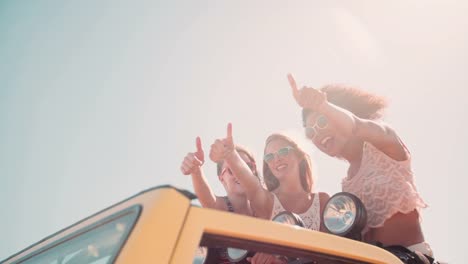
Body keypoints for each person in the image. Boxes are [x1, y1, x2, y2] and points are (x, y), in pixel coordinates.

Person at [287, 73, 434, 259]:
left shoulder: (385, 141)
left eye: (322, 121)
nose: (317, 134)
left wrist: (321, 105)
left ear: (342, 111)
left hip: (409, 258)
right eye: (310, 131)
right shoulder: (347, 183)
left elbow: (355, 125)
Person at [210, 124, 329, 264]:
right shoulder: (266, 200)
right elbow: (251, 182)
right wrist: (231, 155)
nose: (276, 159)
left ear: (299, 155)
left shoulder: (322, 200)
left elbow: (329, 254)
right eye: (269, 156)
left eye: (283, 151)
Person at [180, 136, 259, 263]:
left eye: (246, 166)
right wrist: (196, 171)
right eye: (231, 170)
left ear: (254, 170)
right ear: (221, 178)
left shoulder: (267, 205)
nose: (239, 172)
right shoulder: (222, 207)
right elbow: (207, 199)